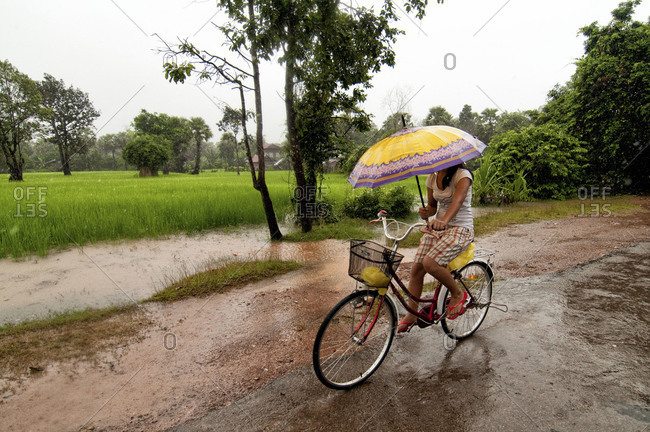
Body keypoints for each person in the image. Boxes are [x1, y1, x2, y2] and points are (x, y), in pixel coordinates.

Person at [397, 162, 474, 333]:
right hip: (439, 228)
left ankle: (457, 294)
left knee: (430, 263)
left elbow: (458, 201)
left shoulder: (462, 175)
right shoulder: (432, 177)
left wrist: (444, 221)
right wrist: (427, 212)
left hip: (461, 228)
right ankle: (411, 315)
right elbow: (432, 207)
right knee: (416, 269)